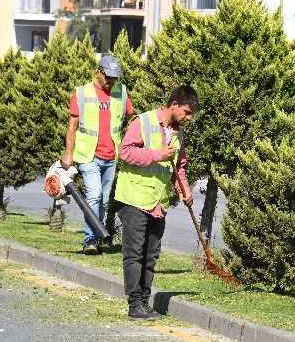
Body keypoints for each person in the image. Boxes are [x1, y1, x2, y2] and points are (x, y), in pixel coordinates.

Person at [113, 85, 197, 320]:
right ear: (175, 105)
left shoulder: (178, 132)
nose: (188, 118)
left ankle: (144, 302)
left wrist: (184, 190)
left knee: (151, 255)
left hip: (158, 202)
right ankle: (134, 305)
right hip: (135, 199)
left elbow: (179, 166)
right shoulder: (144, 122)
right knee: (134, 254)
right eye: (187, 112)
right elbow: (125, 152)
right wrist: (157, 154)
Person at [61, 55, 133, 255]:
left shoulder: (122, 92)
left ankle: (98, 238)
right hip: (88, 155)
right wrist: (68, 153)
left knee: (103, 201)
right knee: (94, 194)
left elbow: (128, 115)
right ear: (98, 72)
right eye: (108, 76)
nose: (111, 81)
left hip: (111, 156)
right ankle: (90, 240)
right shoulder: (82, 93)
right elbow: (72, 125)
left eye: (115, 77)